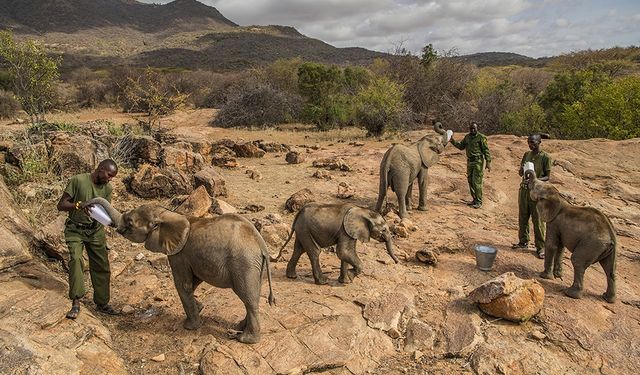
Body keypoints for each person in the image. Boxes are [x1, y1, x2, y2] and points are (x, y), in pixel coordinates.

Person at [57, 159, 119, 319]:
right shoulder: (78, 180)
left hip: (96, 231)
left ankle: (102, 303)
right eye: (109, 175)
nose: (110, 179)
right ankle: (76, 302)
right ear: (101, 169)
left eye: (112, 177)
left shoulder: (107, 188)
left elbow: (106, 210)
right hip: (75, 230)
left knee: (101, 265)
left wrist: (110, 221)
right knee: (76, 260)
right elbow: (61, 205)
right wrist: (79, 205)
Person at [512, 134, 552, 259]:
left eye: (533, 142)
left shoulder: (545, 157)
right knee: (523, 216)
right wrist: (522, 170)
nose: (531, 145)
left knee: (538, 220)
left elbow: (547, 177)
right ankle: (523, 241)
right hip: (524, 190)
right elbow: (521, 172)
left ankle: (541, 247)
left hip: (537, 191)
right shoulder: (526, 155)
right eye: (529, 142)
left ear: (539, 142)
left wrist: (535, 179)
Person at [450, 122, 492, 209]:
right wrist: (452, 141)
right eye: (471, 129)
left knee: (476, 182)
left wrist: (488, 162)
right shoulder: (467, 137)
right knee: (470, 180)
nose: (473, 130)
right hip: (470, 162)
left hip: (478, 162)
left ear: (477, 128)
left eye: (474, 128)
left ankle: (479, 201)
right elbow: (461, 146)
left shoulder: (481, 138)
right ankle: (474, 199)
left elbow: (486, 150)